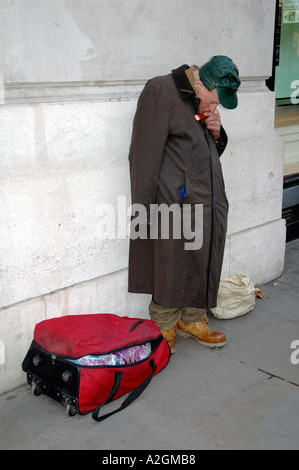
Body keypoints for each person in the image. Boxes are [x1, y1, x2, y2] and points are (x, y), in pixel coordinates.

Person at [128, 56, 240, 353]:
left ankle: (192, 319)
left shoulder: (200, 101)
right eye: (214, 102)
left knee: (202, 257)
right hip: (171, 200)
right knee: (170, 261)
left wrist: (217, 133)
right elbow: (143, 154)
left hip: (207, 198)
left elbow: (202, 148)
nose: (214, 108)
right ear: (201, 82)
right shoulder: (161, 90)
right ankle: (164, 325)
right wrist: (144, 207)